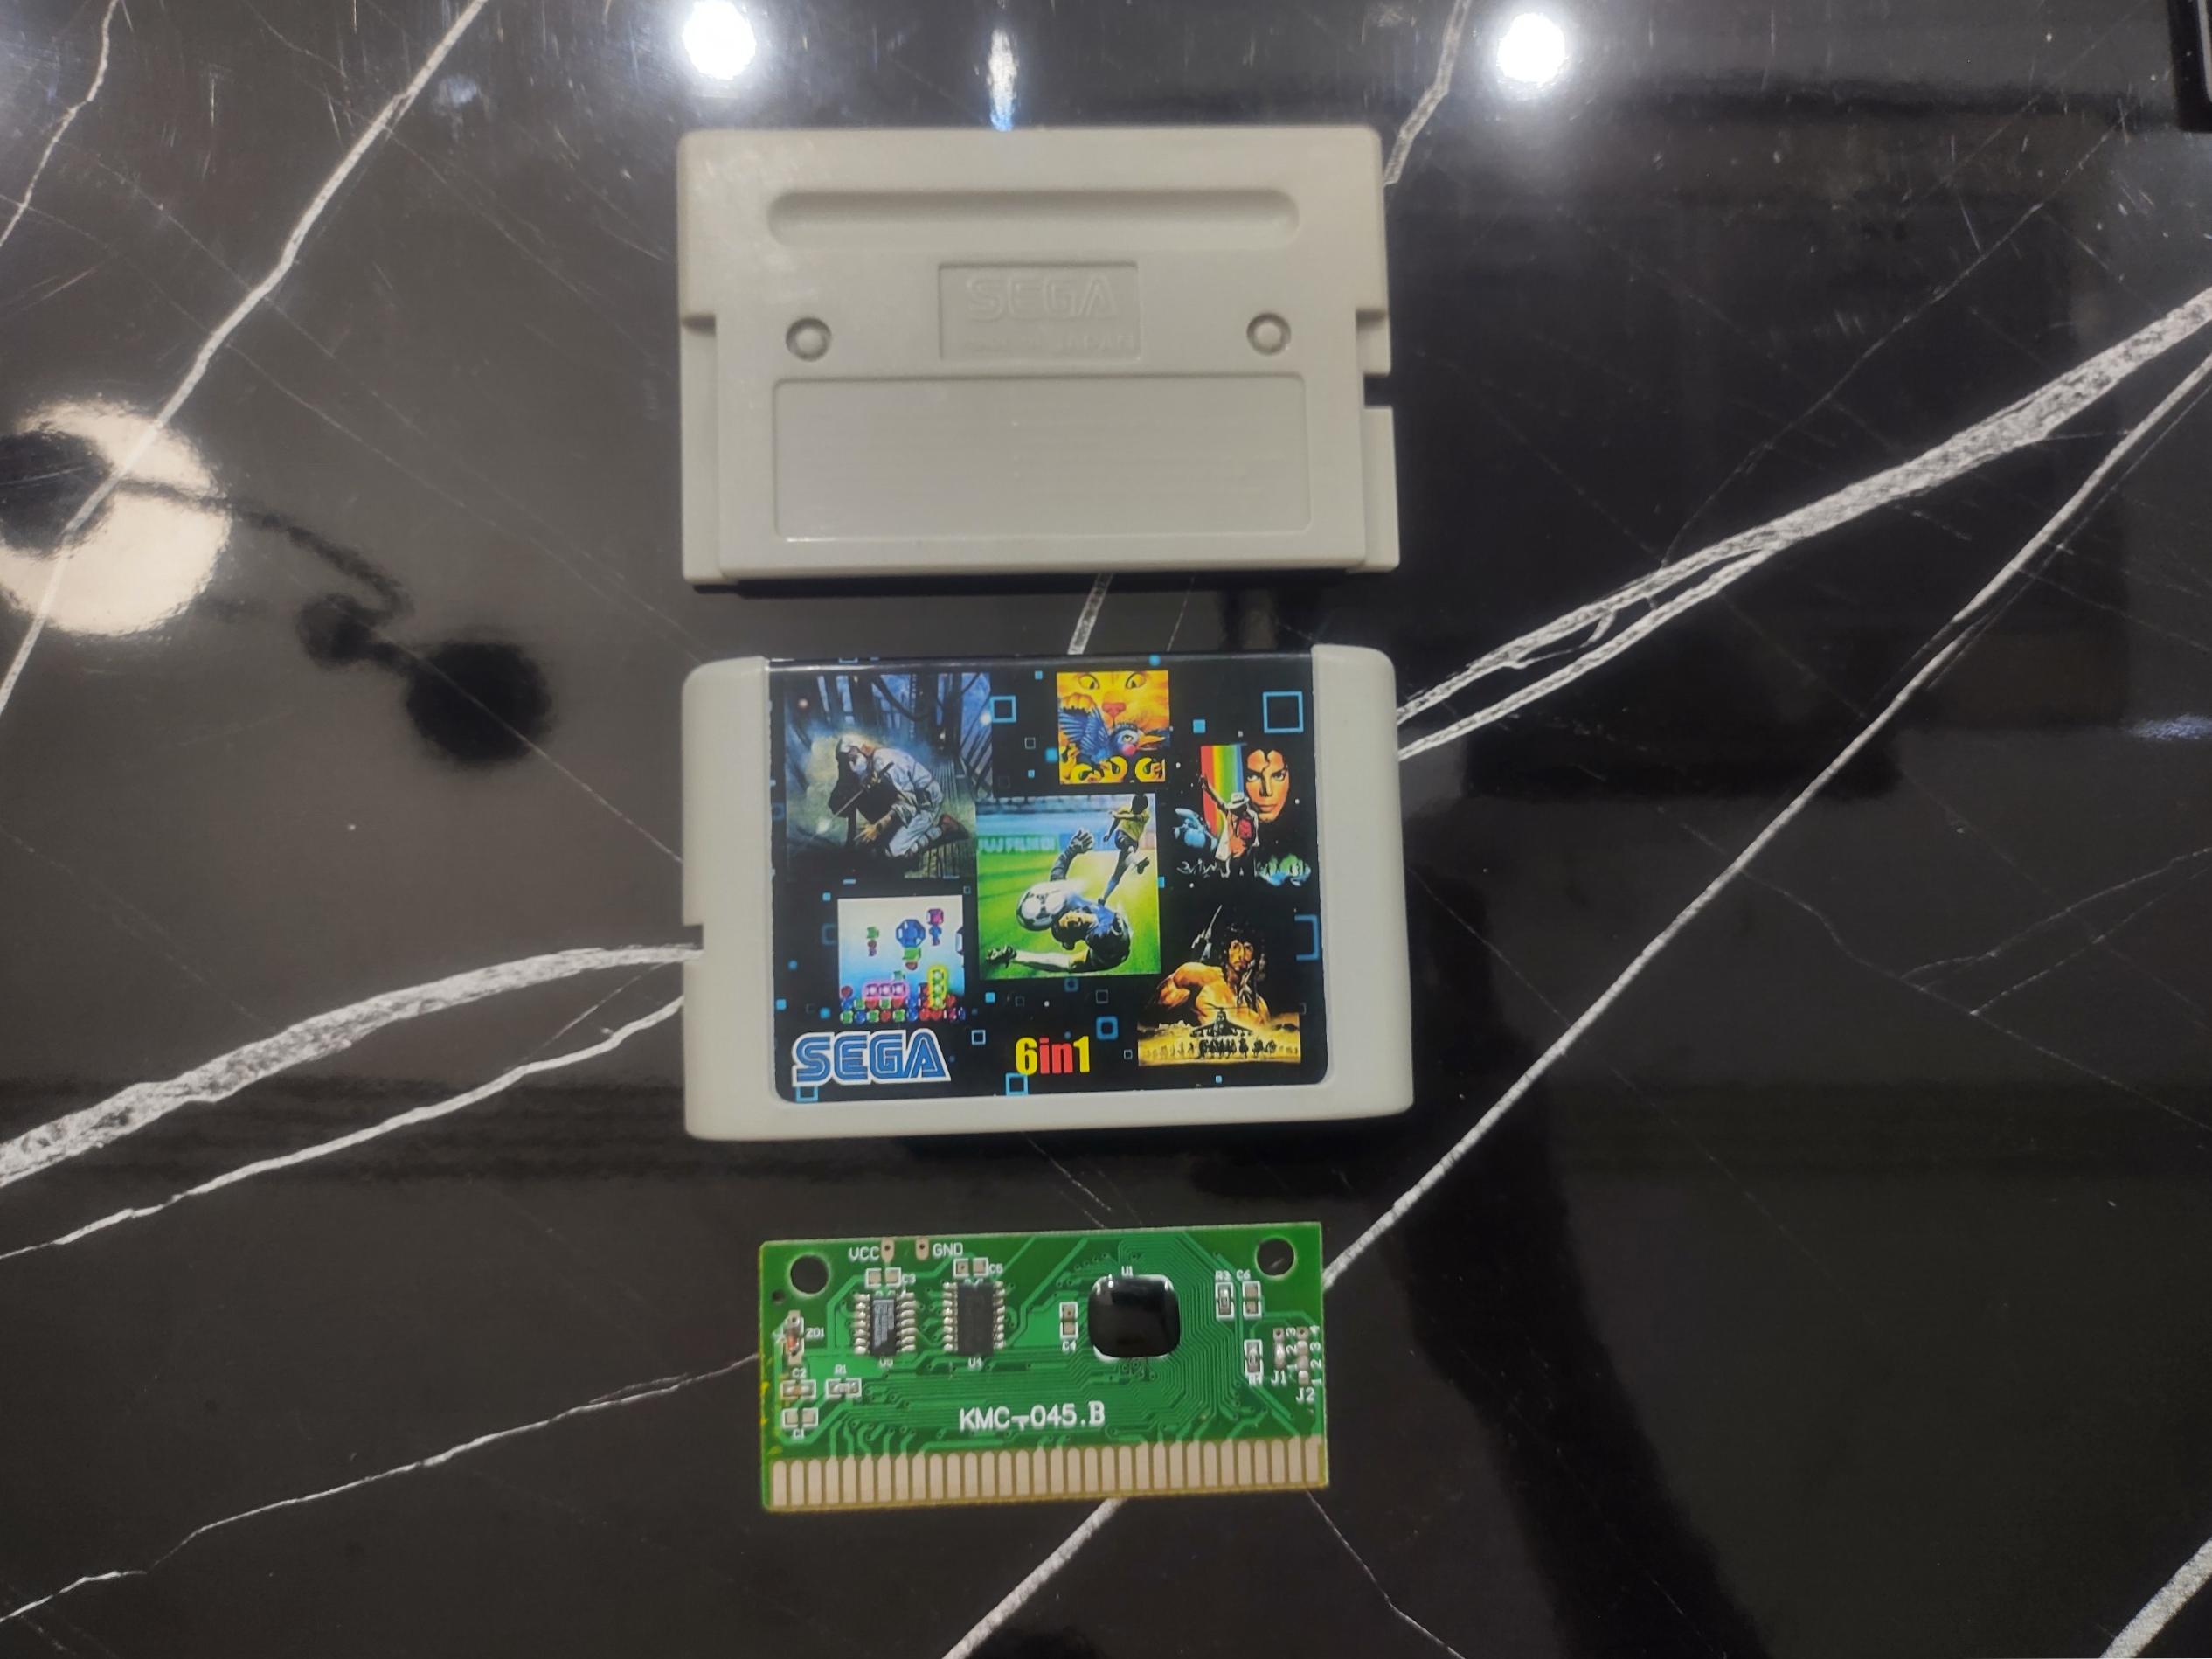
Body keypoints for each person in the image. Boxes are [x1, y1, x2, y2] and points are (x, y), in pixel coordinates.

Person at [984, 828, 1133, 973]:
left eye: (1067, 917)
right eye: (1073, 924)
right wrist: (1116, 930)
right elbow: (1102, 936)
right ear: (1076, 932)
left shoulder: (1067, 905)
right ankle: (1014, 956)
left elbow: (1057, 875)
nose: (1074, 917)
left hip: (1108, 941)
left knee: (1069, 965)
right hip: (1110, 955)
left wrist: (1070, 851)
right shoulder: (1094, 935)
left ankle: (1013, 956)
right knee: (1070, 964)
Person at [834, 735, 958, 864]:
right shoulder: (873, 761)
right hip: (909, 799)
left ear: (861, 749)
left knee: (893, 852)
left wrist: (879, 827)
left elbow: (909, 803)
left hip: (925, 803)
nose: (851, 766)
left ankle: (943, 828)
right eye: (848, 762)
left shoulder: (885, 762)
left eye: (853, 759)